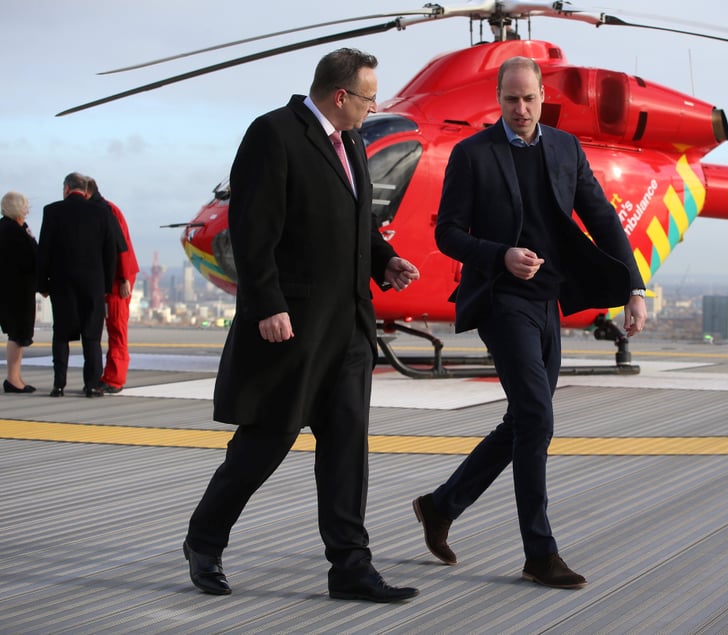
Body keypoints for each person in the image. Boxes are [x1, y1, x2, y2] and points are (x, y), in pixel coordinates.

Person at [183, 47, 421, 603]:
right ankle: (204, 539)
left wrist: (384, 259)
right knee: (266, 441)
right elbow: (251, 228)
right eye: (368, 97)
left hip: (351, 327)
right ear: (341, 96)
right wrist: (266, 304)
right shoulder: (274, 134)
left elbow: (356, 218)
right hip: (292, 324)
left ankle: (351, 569)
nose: (373, 106)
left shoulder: (355, 142)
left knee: (346, 448)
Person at [412, 56, 647, 589]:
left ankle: (440, 505)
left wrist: (633, 288)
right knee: (538, 418)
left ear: (543, 98)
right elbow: (447, 233)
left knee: (522, 419)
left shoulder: (566, 148)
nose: (520, 109)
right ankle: (540, 553)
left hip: (549, 300)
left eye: (529, 99)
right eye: (511, 99)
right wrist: (500, 255)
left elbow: (603, 218)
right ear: (499, 99)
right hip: (499, 299)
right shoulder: (472, 154)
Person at [36, 172, 117, 398]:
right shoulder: (102, 212)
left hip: (62, 283)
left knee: (61, 335)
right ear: (85, 189)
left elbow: (44, 251)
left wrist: (42, 283)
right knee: (92, 337)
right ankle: (91, 385)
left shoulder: (52, 211)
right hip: (93, 284)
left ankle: (58, 384)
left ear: (66, 188)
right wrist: (106, 285)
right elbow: (110, 252)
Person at [85, 179, 139, 394]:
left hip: (118, 279)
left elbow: (120, 245)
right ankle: (110, 374)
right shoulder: (106, 209)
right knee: (114, 327)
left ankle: (115, 378)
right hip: (114, 276)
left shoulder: (107, 211)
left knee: (117, 327)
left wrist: (124, 278)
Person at [1, 191, 38, 393]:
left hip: (17, 290)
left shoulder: (15, 228)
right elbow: (27, 258)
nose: (27, 209)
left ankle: (16, 378)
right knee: (17, 334)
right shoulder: (11, 231)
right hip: (16, 291)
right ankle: (13, 379)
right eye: (25, 205)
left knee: (18, 335)